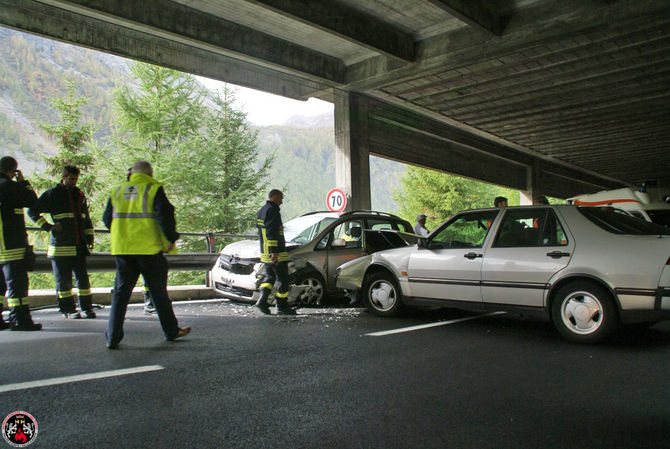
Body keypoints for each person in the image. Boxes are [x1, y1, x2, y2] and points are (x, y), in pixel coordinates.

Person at [102, 160, 190, 348]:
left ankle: (112, 337)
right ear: (150, 174)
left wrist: (123, 233)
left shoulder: (118, 191)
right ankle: (171, 331)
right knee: (158, 292)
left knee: (120, 294)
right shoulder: (153, 188)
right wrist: (171, 238)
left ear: (132, 173)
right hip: (148, 250)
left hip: (123, 249)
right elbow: (165, 215)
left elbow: (106, 219)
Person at [28, 165, 96, 319]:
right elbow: (32, 211)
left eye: (76, 179)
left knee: (83, 280)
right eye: (71, 179)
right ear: (64, 177)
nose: (74, 182)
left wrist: (89, 236)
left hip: (79, 246)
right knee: (64, 281)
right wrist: (48, 226)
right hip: (60, 247)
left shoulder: (79, 195)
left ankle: (86, 308)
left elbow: (86, 218)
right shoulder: (52, 194)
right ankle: (68, 309)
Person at [0, 156, 41, 331]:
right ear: (13, 171)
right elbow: (33, 201)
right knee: (17, 283)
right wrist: (23, 182)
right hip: (11, 244)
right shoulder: (10, 185)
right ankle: (20, 320)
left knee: (1, 285)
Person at [254, 189, 295, 315]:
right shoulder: (273, 210)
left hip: (265, 252)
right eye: (281, 198)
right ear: (275, 196)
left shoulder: (262, 210)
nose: (282, 201)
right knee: (283, 279)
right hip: (276, 252)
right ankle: (282, 306)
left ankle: (261, 301)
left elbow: (264, 233)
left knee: (269, 277)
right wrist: (274, 251)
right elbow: (271, 231)